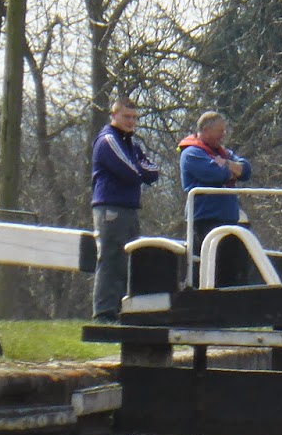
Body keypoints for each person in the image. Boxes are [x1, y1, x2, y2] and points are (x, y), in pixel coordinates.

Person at [90, 98, 161, 324]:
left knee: (126, 262)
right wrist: (139, 170)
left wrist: (139, 169)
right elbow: (130, 171)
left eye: (134, 118)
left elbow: (153, 172)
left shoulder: (131, 144)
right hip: (111, 208)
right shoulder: (108, 140)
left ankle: (120, 311)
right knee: (111, 259)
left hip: (129, 208)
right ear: (114, 116)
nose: (131, 121)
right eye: (126, 117)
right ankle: (104, 313)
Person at [178, 111, 253, 286]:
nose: (224, 135)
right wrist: (230, 169)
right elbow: (214, 174)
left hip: (229, 220)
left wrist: (226, 164)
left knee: (230, 271)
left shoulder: (223, 153)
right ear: (206, 130)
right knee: (207, 270)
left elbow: (246, 169)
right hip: (205, 221)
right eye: (220, 131)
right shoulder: (191, 153)